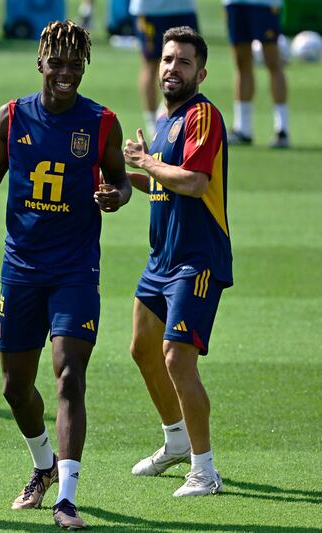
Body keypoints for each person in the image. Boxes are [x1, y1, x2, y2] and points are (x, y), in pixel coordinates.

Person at [0, 20, 131, 530]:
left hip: (75, 268)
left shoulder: (101, 123)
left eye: (76, 65)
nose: (67, 73)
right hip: (21, 268)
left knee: (70, 376)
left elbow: (120, 181)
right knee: (14, 387)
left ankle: (67, 498)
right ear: (40, 63)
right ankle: (43, 464)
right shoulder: (11, 117)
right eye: (58, 64)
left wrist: (113, 197)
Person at [123, 26, 232, 497]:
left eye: (184, 62)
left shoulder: (202, 115)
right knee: (142, 348)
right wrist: (128, 184)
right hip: (161, 259)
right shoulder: (168, 120)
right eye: (168, 60)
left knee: (176, 359)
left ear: (200, 72)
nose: (172, 68)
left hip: (197, 259)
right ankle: (175, 441)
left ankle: (204, 472)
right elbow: (166, 182)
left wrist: (146, 164)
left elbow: (192, 181)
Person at [223, 0, 289, 148]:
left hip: (265, 3)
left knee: (273, 61)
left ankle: (282, 130)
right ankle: (243, 129)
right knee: (241, 61)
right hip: (235, 3)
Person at [129, 0, 199, 139]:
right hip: (150, 8)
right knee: (151, 63)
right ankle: (153, 126)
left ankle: (176, 118)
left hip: (183, 7)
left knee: (190, 62)